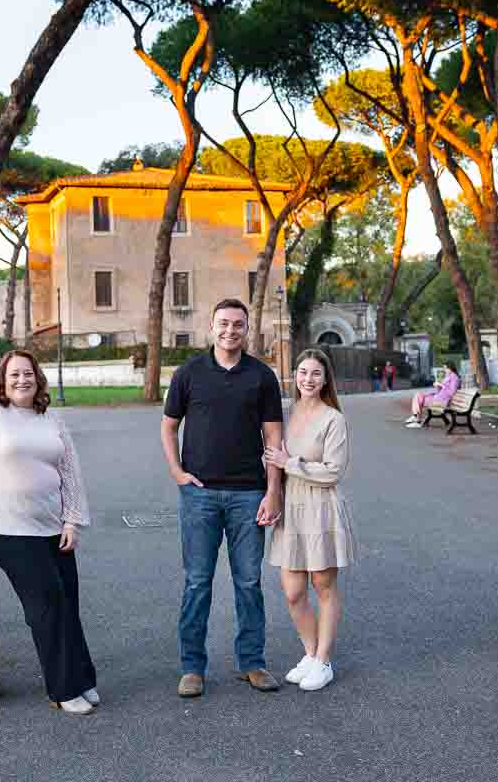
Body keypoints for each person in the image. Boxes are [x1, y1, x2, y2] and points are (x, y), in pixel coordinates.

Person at [0, 350, 98, 715]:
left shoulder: (51, 419)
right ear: (2, 380)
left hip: (52, 528)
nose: (21, 380)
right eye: (14, 375)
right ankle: (62, 689)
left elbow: (69, 473)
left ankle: (81, 679)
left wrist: (72, 521)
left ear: (37, 379)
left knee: (67, 605)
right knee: (47, 606)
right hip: (6, 528)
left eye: (27, 374)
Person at [162, 298, 285, 698]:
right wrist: (178, 472)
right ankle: (192, 667)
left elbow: (273, 438)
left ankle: (253, 663)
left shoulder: (262, 376)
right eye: (223, 324)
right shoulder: (190, 373)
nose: (230, 330)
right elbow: (168, 427)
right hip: (200, 495)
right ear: (211, 327)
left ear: (246, 329)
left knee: (248, 582)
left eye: (238, 324)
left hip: (249, 494)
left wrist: (273, 490)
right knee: (198, 582)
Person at [264, 349, 354, 692]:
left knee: (323, 586)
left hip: (320, 508)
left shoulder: (334, 419)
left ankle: (324, 661)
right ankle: (310, 653)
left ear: (325, 379)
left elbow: (333, 471)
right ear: (295, 376)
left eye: (315, 374)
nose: (308, 379)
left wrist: (291, 463)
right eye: (303, 372)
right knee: (292, 592)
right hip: (291, 508)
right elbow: (274, 455)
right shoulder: (288, 414)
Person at [405, 362, 460, 428]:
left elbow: (451, 392)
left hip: (441, 400)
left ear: (451, 368)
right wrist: (438, 386)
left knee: (418, 398)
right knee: (418, 395)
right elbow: (443, 388)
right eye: (444, 368)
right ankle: (416, 417)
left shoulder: (455, 378)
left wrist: (440, 385)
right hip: (438, 397)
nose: (445, 370)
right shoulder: (449, 376)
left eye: (446, 368)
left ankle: (417, 419)